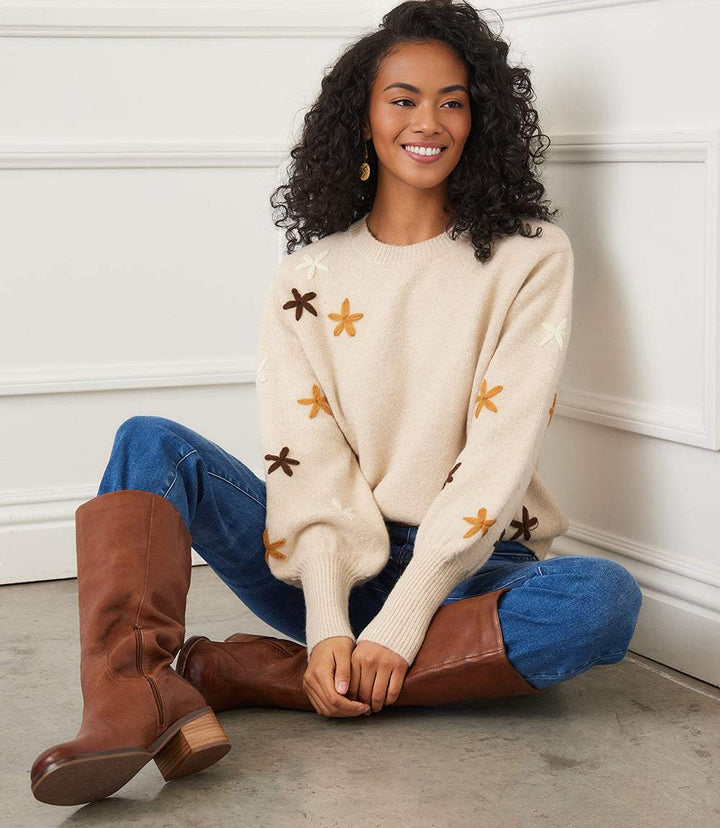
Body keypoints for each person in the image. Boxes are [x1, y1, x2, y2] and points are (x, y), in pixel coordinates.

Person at [30, 0, 642, 807]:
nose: (430, 122)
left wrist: (400, 620)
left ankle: (257, 674)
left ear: (479, 119)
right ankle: (131, 694)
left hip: (470, 567)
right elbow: (308, 458)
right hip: (336, 563)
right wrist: (328, 619)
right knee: (149, 441)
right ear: (362, 116)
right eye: (404, 98)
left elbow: (501, 452)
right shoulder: (307, 277)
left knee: (602, 603)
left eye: (453, 101)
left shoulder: (528, 256)